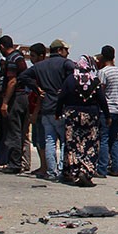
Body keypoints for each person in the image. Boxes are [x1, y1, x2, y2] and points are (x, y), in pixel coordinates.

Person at [29, 38, 75, 180]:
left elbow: (23, 77)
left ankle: (51, 171)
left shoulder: (41, 66)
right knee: (63, 141)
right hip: (60, 109)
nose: (67, 53)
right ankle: (61, 170)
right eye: (66, 50)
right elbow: (76, 75)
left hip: (46, 109)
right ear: (60, 50)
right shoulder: (66, 64)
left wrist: (37, 89)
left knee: (49, 140)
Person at [57, 54, 106, 187]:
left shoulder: (70, 79)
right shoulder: (94, 80)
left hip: (72, 116)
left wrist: (57, 112)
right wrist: (107, 116)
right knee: (90, 145)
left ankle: (73, 172)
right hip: (91, 117)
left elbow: (61, 97)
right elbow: (102, 99)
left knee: (73, 145)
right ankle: (86, 171)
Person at [0, 35, 30, 175]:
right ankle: (21, 161)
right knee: (22, 132)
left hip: (15, 98)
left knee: (14, 131)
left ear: (2, 47)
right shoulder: (20, 58)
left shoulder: (11, 60)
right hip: (25, 97)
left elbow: (12, 82)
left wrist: (5, 102)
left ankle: (14, 163)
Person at [20, 43, 49, 176]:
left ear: (41, 56)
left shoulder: (41, 71)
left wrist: (35, 112)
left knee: (41, 140)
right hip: (35, 108)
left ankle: (45, 167)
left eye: (33, 56)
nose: (31, 58)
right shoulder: (36, 70)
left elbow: (41, 95)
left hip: (40, 110)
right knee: (38, 140)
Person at [96, 45, 118, 178]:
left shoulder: (103, 72)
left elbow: (101, 92)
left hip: (107, 110)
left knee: (104, 139)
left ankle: (101, 169)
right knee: (115, 139)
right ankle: (115, 167)